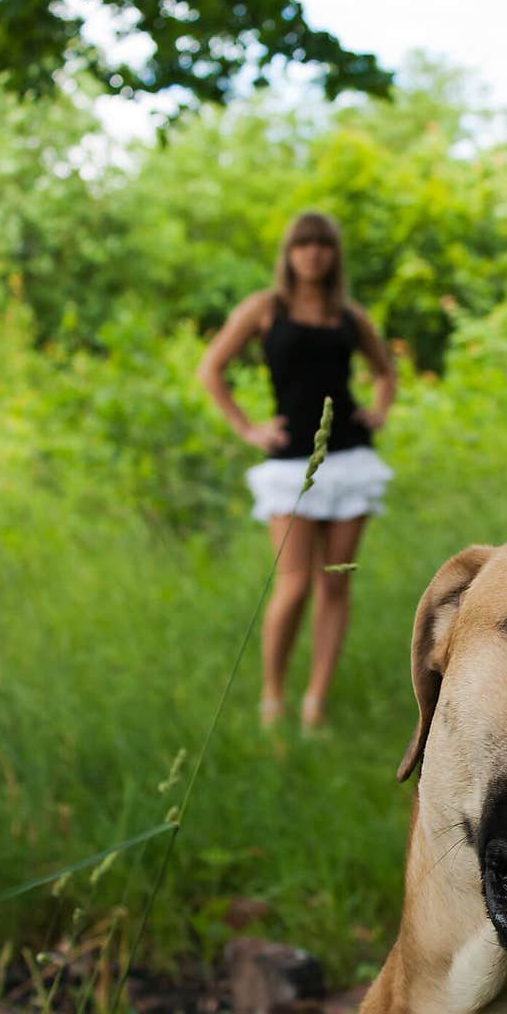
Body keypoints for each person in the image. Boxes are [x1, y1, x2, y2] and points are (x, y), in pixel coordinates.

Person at [198, 211, 396, 730]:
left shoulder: (350, 317)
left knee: (336, 585)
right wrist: (247, 429)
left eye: (323, 245)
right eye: (303, 244)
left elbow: (384, 372)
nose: (313, 253)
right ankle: (272, 699)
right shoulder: (265, 309)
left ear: (334, 254)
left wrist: (378, 411)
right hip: (290, 463)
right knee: (293, 584)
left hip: (350, 458)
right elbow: (211, 369)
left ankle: (315, 704)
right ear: (289, 253)